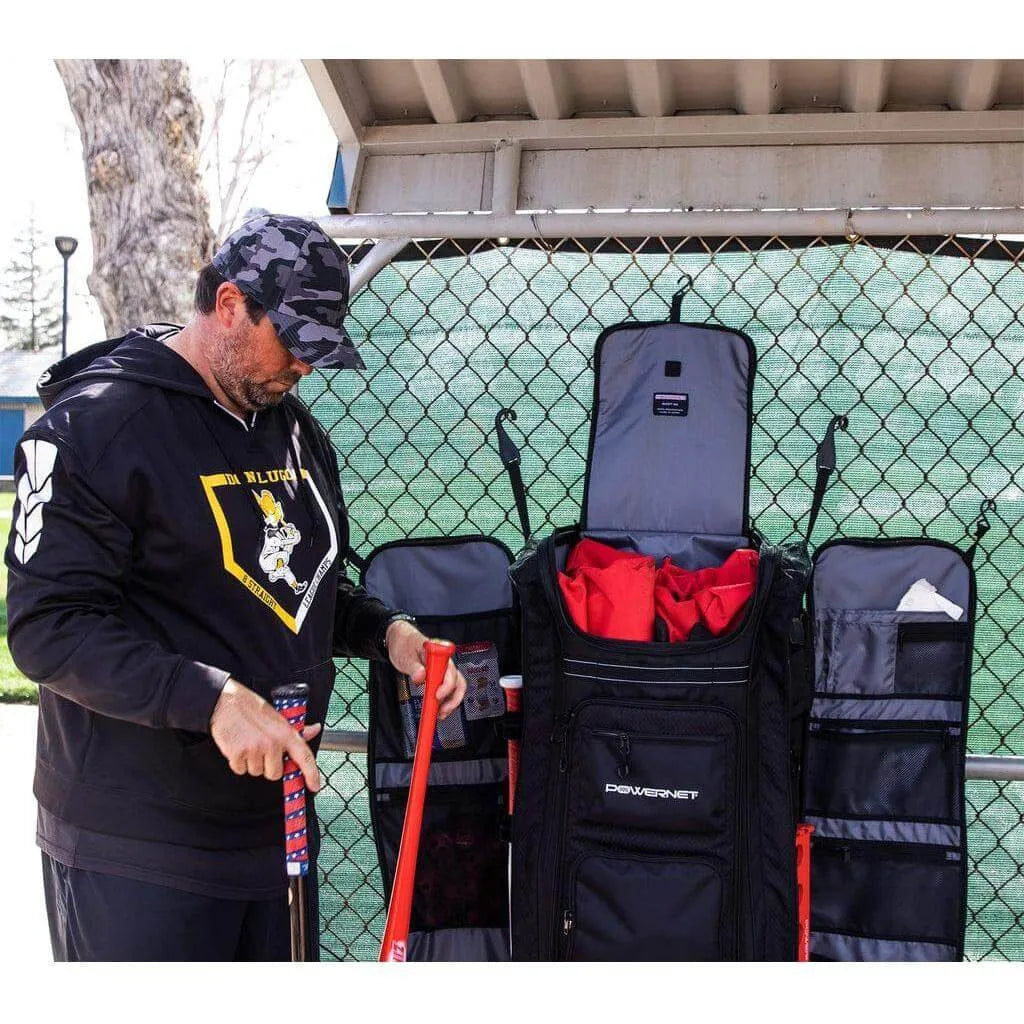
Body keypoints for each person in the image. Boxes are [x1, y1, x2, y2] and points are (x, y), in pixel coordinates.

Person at [4, 213, 467, 962]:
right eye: (293, 342)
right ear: (228, 305)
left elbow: (295, 585)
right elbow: (47, 628)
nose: (304, 367)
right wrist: (212, 699)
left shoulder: (293, 429)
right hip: (137, 845)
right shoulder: (94, 426)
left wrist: (388, 634)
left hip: (274, 829)